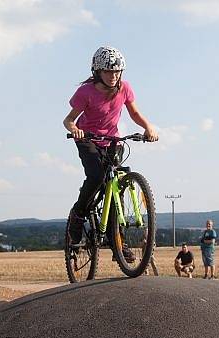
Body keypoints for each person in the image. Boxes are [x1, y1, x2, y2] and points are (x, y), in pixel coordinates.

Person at [63, 46, 159, 259]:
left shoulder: (124, 88)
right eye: (108, 71)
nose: (114, 76)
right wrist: (75, 130)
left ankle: (117, 243)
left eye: (117, 72)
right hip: (87, 139)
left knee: (115, 187)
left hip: (112, 141)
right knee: (96, 177)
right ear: (98, 71)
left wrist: (148, 127)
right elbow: (68, 120)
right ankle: (78, 215)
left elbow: (134, 112)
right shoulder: (85, 92)